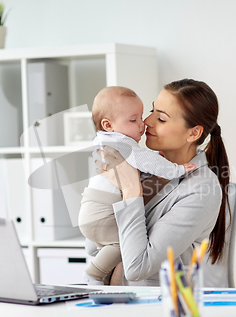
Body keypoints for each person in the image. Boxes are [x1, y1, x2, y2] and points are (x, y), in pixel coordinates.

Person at [91, 78, 231, 286]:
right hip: (112, 301)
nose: (146, 122)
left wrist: (131, 190)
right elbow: (94, 246)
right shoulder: (140, 164)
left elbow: (137, 268)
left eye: (162, 119)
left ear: (193, 133)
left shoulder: (202, 189)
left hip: (159, 307)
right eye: (152, 111)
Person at [78, 86, 197, 285]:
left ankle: (101, 278)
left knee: (115, 244)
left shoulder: (105, 141)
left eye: (141, 117)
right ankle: (93, 274)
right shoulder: (122, 145)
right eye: (134, 120)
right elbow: (148, 160)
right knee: (122, 242)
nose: (143, 124)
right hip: (102, 211)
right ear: (108, 125)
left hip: (92, 207)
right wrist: (176, 170)